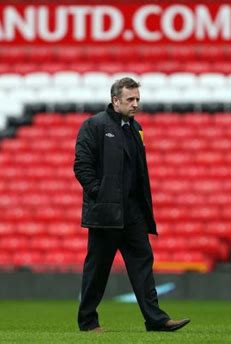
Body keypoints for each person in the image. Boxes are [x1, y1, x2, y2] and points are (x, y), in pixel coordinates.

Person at [73, 77, 190, 332]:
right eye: (130, 99)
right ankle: (88, 321)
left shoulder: (135, 129)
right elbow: (81, 167)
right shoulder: (94, 126)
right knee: (98, 269)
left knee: (143, 265)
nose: (136, 104)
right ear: (116, 101)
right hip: (107, 213)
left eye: (138, 99)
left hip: (132, 213)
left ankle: (156, 320)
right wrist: (100, 193)